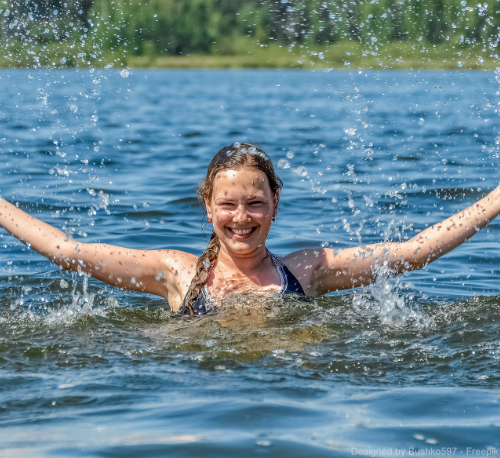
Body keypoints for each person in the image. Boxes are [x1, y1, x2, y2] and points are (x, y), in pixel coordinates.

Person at [1, 142, 499, 315]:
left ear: (275, 205)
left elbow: (411, 253)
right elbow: (69, 250)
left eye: (255, 204)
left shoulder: (308, 270)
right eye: (229, 205)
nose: (242, 219)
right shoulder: (177, 273)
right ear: (208, 206)